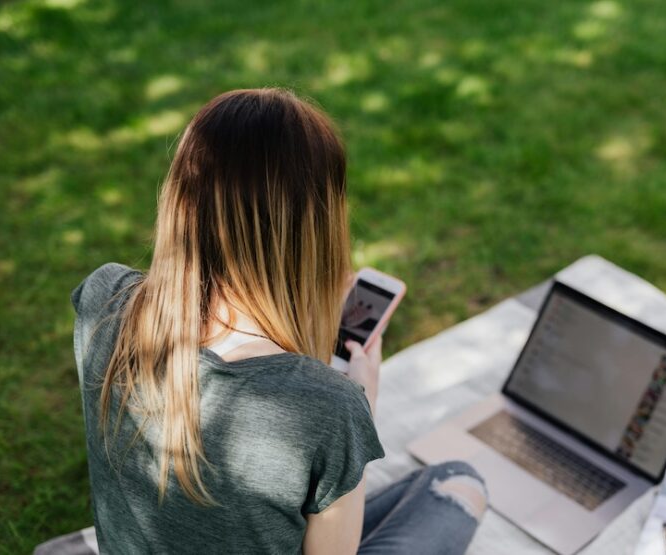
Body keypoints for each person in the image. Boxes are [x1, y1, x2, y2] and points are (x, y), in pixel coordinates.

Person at [70, 88, 488, 554]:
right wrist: (361, 404)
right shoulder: (330, 408)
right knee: (458, 483)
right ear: (316, 227)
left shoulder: (101, 298)